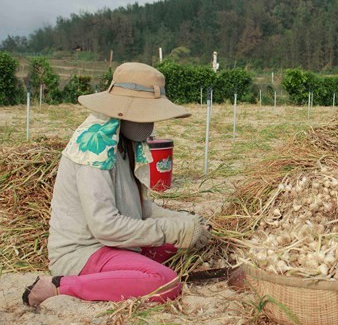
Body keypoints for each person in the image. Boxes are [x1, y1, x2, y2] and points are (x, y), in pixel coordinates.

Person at [22, 62, 212, 307]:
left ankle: (124, 272)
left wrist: (186, 221)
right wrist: (173, 230)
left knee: (180, 247)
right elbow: (105, 227)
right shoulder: (95, 146)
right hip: (84, 252)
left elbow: (142, 208)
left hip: (115, 245)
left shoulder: (125, 142)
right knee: (165, 282)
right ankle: (58, 286)